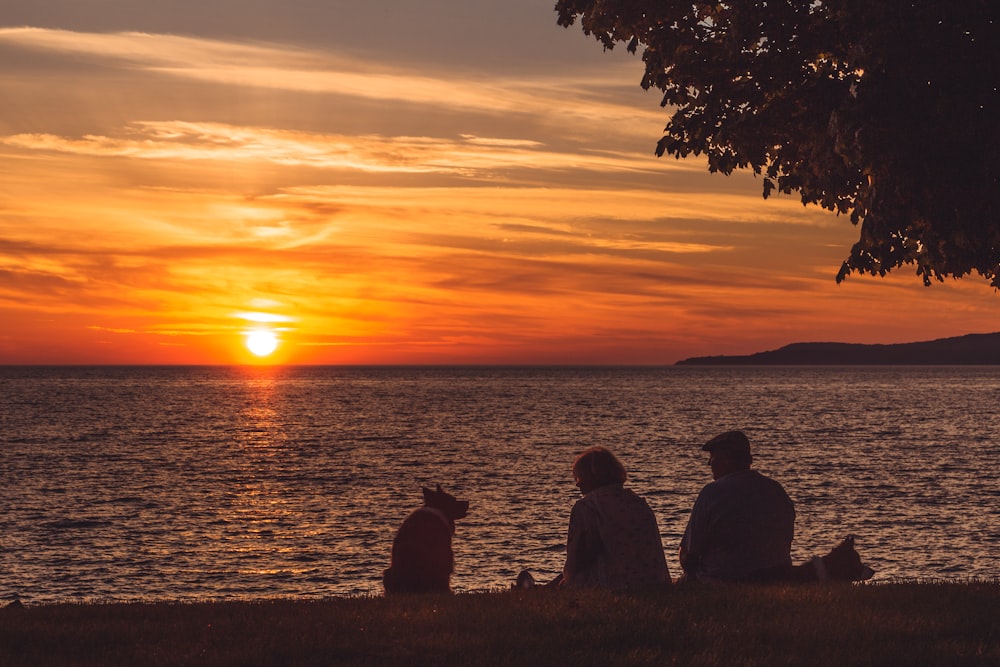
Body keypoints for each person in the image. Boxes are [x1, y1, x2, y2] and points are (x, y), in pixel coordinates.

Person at [679, 430, 795, 582]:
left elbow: (689, 556)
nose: (709, 464)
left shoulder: (712, 493)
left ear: (726, 458)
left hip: (722, 580)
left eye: (713, 457)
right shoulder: (777, 490)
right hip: (776, 579)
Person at [559, 446, 671, 589]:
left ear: (592, 476)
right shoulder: (638, 502)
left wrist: (567, 579)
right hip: (655, 581)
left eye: (579, 477)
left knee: (567, 583)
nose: (577, 483)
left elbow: (575, 560)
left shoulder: (588, 507)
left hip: (615, 584)